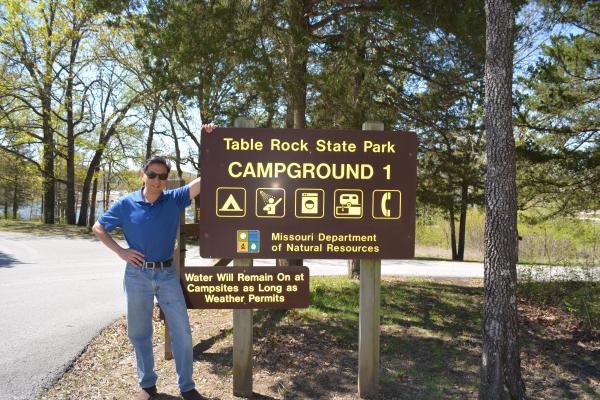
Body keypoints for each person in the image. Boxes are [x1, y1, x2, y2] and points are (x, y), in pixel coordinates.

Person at [92, 123, 216, 400]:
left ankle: (187, 387)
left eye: (162, 176)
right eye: (152, 174)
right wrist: (122, 252)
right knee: (140, 332)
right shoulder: (125, 204)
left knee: (182, 330)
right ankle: (147, 384)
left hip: (167, 274)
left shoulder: (173, 199)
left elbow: (205, 179)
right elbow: (98, 227)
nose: (157, 180)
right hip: (136, 275)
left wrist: (210, 140)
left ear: (167, 179)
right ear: (143, 175)